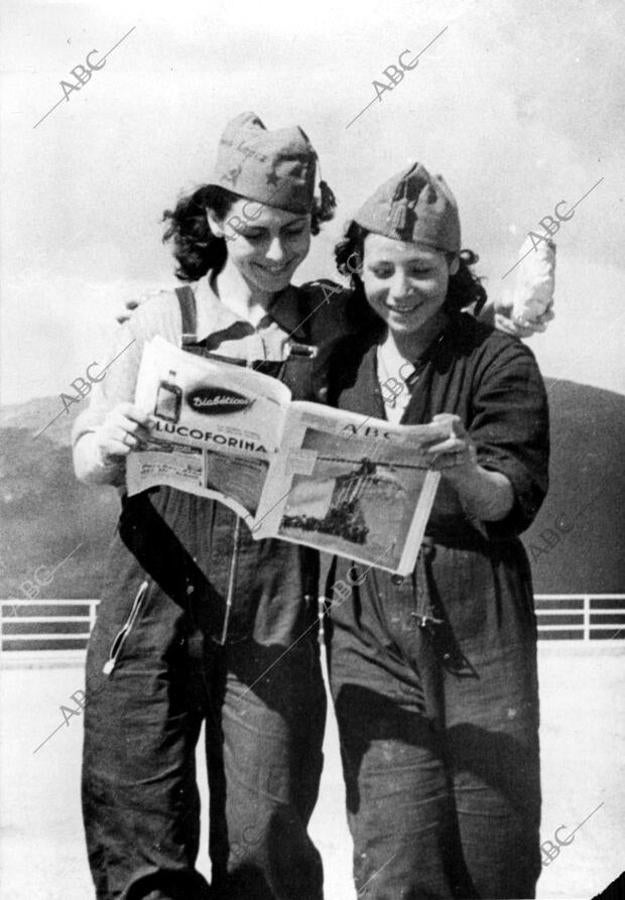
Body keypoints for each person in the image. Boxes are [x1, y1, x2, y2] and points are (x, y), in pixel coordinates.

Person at [72, 111, 341, 900]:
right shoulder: (161, 319)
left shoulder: (329, 322)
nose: (277, 254)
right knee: (141, 842)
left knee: (268, 846)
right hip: (153, 602)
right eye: (255, 232)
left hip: (274, 612)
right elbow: (88, 455)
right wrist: (112, 443)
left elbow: (415, 321)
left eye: (296, 233)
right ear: (218, 216)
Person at [322, 163, 550, 899]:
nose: (400, 289)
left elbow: (508, 502)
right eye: (381, 269)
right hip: (363, 608)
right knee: (394, 844)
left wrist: (463, 471)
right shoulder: (337, 359)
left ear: (453, 267)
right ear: (357, 267)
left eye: (421, 270)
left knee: (493, 837)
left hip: (474, 607)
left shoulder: (498, 360)